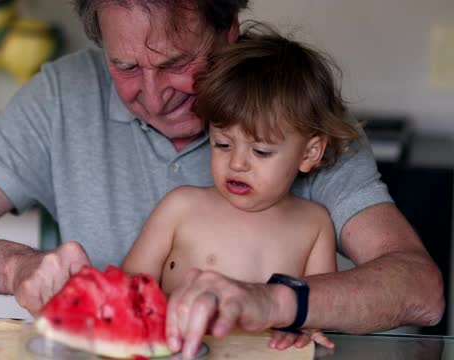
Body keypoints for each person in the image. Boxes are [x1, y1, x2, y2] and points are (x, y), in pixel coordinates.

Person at [0, 1, 444, 359]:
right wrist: (17, 267)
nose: (152, 97)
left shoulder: (291, 111)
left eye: (179, 61)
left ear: (227, 28)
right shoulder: (61, 95)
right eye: (125, 67)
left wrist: (273, 303)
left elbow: (420, 292)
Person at [121, 22, 358, 351]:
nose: (237, 163)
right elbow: (130, 284)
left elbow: (317, 310)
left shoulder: (314, 224)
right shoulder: (181, 207)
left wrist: (303, 330)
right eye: (221, 144)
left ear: (309, 153)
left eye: (260, 151)